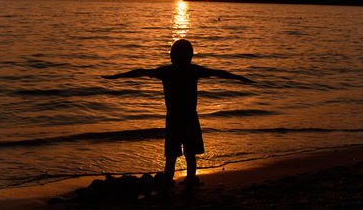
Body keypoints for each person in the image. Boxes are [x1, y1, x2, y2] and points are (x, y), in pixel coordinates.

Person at [101, 39, 255, 188]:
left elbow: (141, 72)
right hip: (189, 118)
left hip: (174, 118)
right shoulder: (193, 70)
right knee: (190, 154)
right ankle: (189, 179)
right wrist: (241, 78)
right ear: (190, 56)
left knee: (172, 155)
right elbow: (220, 73)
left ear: (171, 55)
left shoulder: (167, 71)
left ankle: (169, 181)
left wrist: (117, 76)